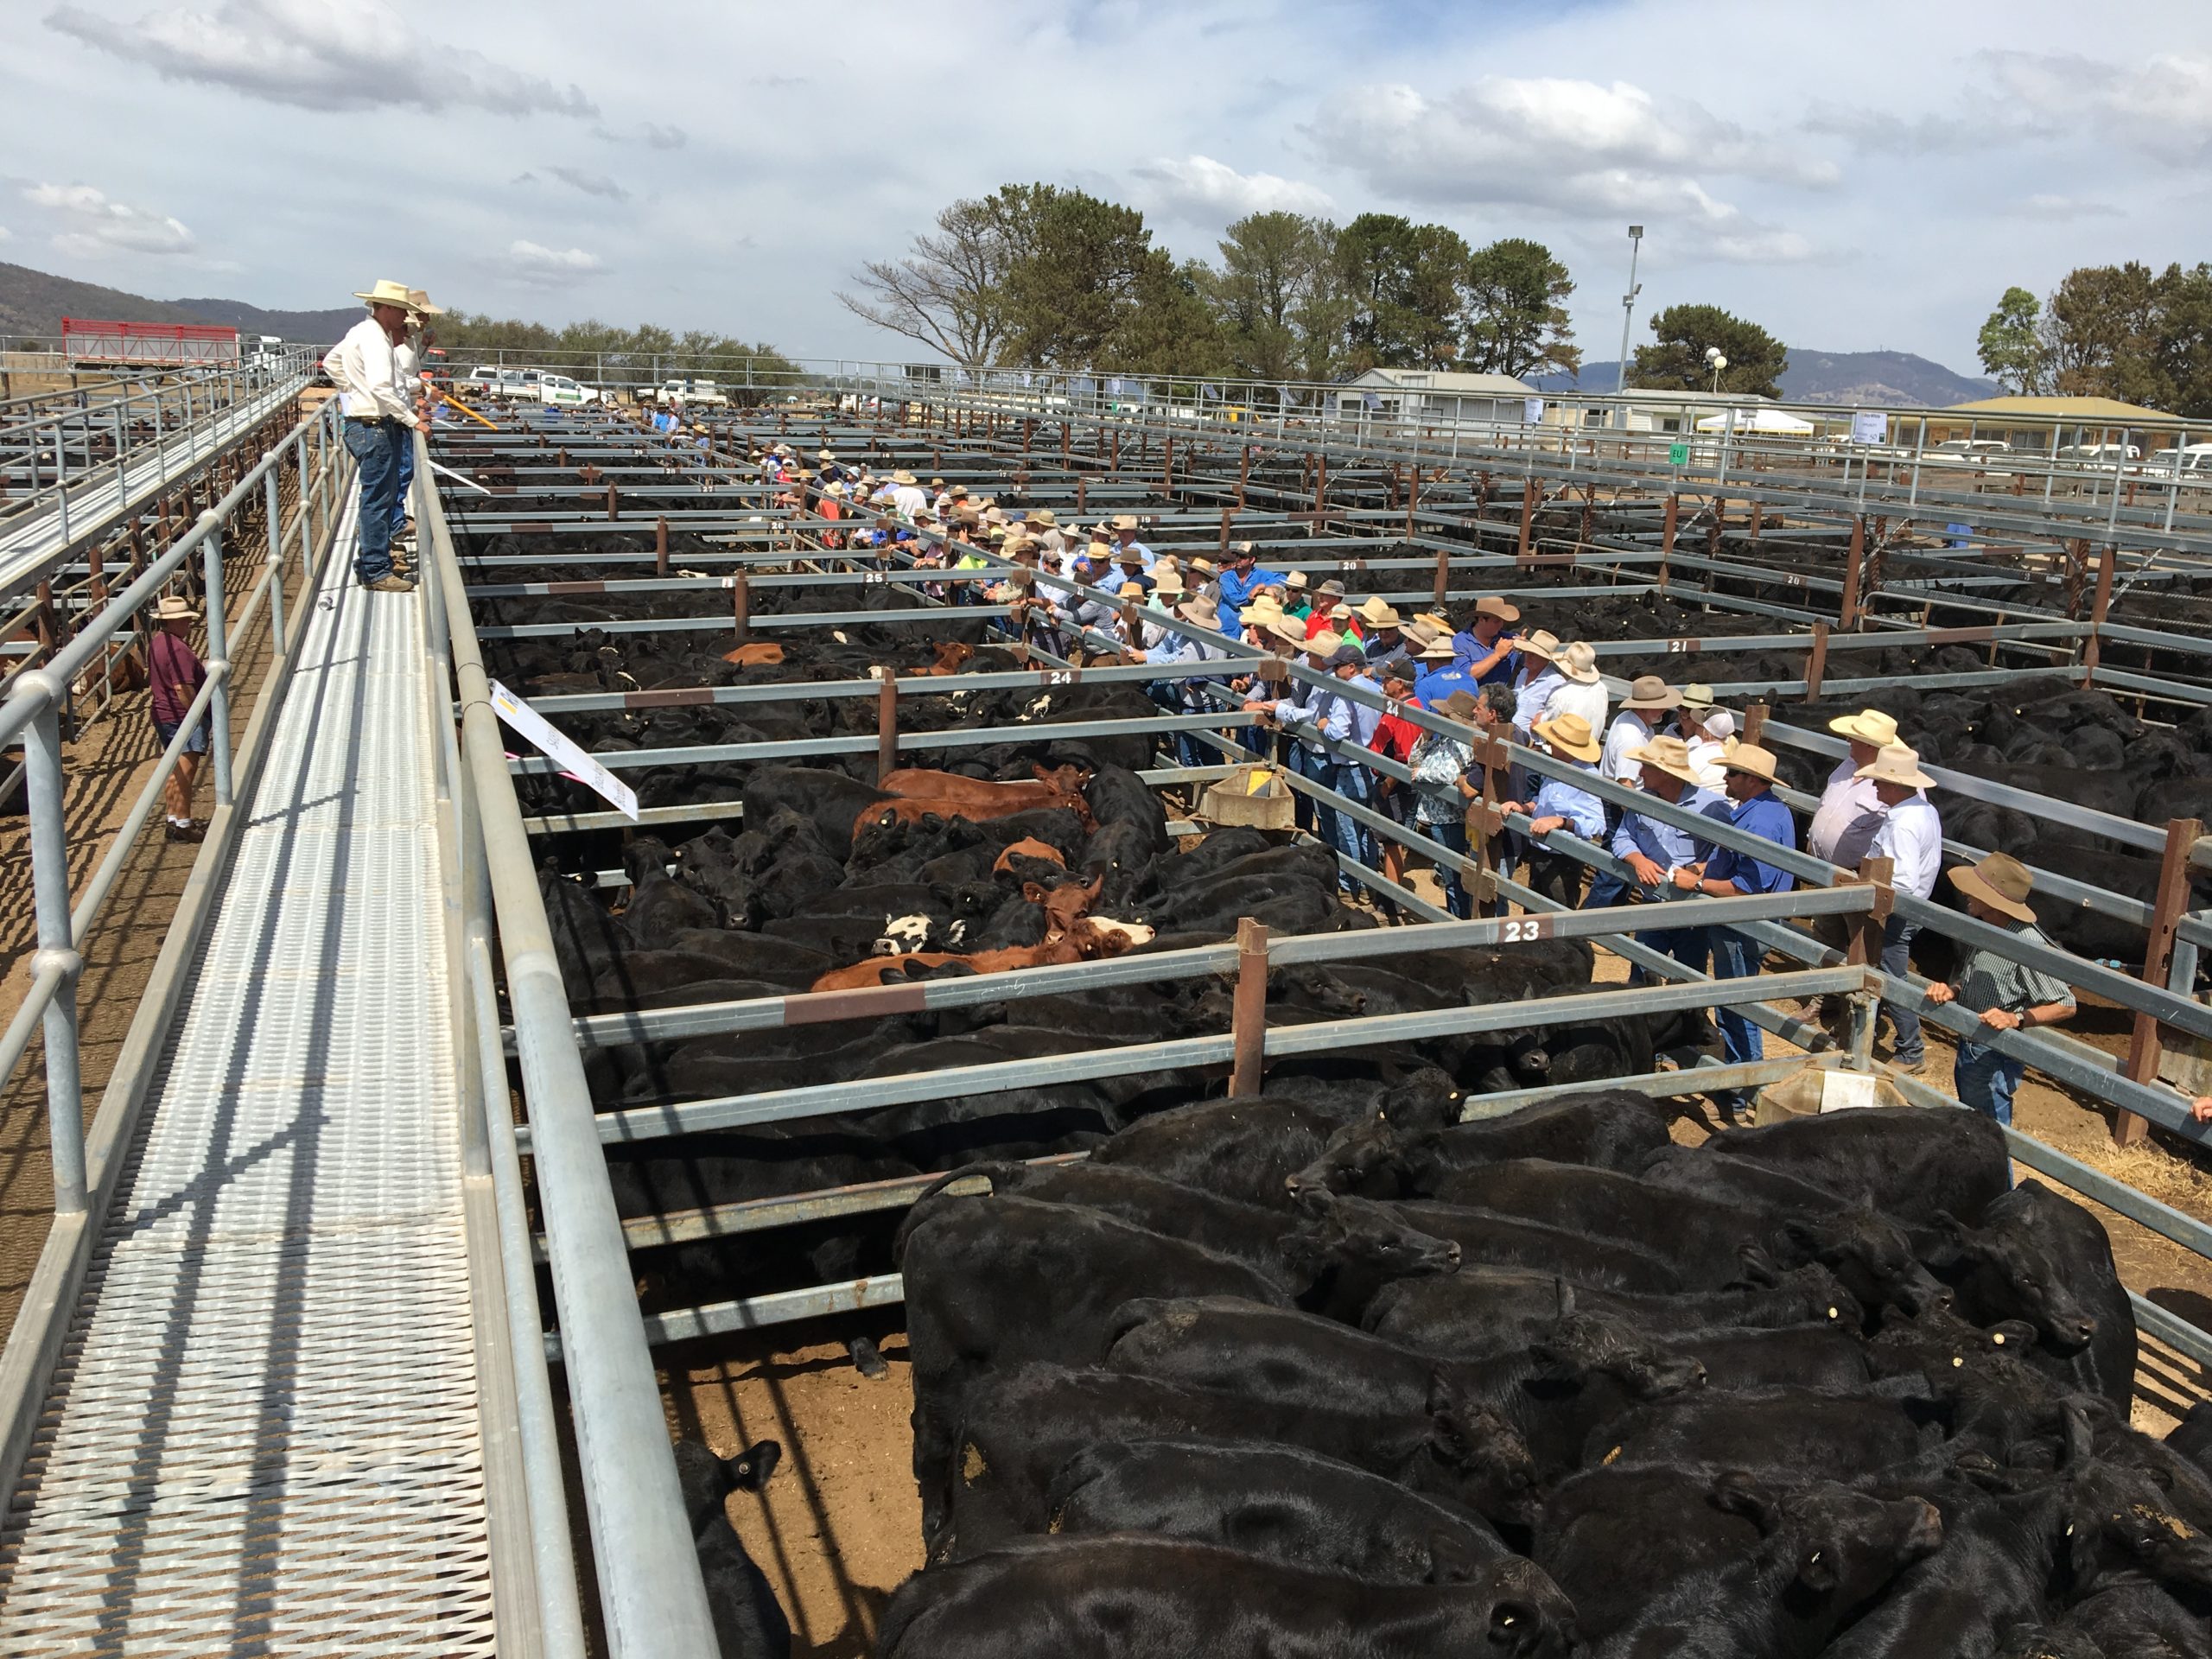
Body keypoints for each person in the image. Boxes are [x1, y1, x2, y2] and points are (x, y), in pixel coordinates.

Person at [1672, 743, 1798, 1120]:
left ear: (1752, 780)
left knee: (1737, 1004)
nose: (1725, 778)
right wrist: (1706, 869)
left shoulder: (1759, 822)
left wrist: (1697, 884)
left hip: (1742, 923)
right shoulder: (1766, 811)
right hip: (1746, 921)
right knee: (1735, 1001)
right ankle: (1743, 1085)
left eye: (1732, 773)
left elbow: (1748, 887)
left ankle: (1745, 1091)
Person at [1922, 853, 2076, 1129]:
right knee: (1974, 1124)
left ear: (1993, 899)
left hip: (1993, 1051)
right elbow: (1973, 977)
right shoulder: (1988, 929)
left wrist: (2015, 1018)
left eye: (1974, 890)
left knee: (1990, 1129)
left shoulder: (2026, 944)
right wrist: (1953, 990)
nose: (1966, 894)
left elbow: (2066, 1004)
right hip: (1973, 1041)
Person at [323, 279, 427, 592]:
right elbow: (382, 387)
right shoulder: (378, 339)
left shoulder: (359, 332)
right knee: (378, 500)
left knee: (375, 498)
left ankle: (373, 563)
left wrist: (354, 390)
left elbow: (330, 362)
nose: (405, 317)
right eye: (402, 310)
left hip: (363, 423)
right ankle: (375, 571)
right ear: (387, 308)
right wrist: (413, 420)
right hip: (375, 426)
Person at [1611, 734, 1732, 980]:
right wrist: (1638, 860)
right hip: (1652, 903)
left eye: (1646, 766)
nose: (1640, 772)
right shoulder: (1641, 800)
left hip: (1691, 911)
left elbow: (1730, 851)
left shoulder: (1712, 807)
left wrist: (1701, 868)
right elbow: (1622, 837)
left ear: (1665, 772)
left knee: (1688, 979)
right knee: (1642, 976)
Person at [1861, 744, 1944, 1073]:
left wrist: (1872, 892)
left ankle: (1911, 1050)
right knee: (1886, 970)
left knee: (1890, 976)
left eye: (1879, 781)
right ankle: (1871, 1031)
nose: (1874, 785)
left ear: (1895, 785)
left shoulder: (1903, 824)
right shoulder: (1924, 810)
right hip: (1912, 906)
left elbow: (1904, 881)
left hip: (1895, 911)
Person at [1408, 689, 1484, 918]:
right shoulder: (1444, 739)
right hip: (1438, 816)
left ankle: (1459, 921)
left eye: (1444, 714)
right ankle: (1456, 918)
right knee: (1449, 874)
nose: (1439, 716)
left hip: (1450, 818)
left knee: (1453, 877)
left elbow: (1448, 773)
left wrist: (1422, 774)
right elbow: (1413, 760)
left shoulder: (1463, 743)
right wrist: (1426, 736)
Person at [148, 594, 209, 842]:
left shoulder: (158, 642)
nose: (188, 624)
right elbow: (182, 687)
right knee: (186, 768)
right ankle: (183, 823)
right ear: (173, 622)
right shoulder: (178, 649)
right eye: (184, 620)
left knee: (175, 767)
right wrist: (197, 713)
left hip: (164, 713)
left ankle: (173, 819)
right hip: (181, 715)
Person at [1808, 709, 1898, 869]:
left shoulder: (1894, 783)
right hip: (1817, 865)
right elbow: (1825, 803)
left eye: (1855, 737)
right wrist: (1811, 837)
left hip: (1853, 875)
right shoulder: (1848, 764)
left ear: (1869, 745)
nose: (1848, 740)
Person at [1215, 541, 1285, 634]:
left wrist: (1262, 586)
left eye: (1242, 556)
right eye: (1237, 556)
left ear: (1252, 560)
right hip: (1226, 628)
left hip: (1249, 630)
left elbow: (1283, 579)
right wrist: (1250, 596)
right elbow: (1234, 600)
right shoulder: (1226, 577)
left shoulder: (1260, 575)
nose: (1238, 559)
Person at [1454, 595, 1522, 686]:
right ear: (1481, 620)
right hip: (1472, 695)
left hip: (1501, 694)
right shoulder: (1460, 642)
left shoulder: (1509, 639)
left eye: (1502, 621)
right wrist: (1497, 656)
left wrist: (1526, 648)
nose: (1501, 625)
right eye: (1496, 621)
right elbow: (1466, 675)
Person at [1545, 640, 1608, 733]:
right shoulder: (1601, 688)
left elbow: (1546, 727)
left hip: (1563, 740)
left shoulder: (1561, 695)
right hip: (1592, 740)